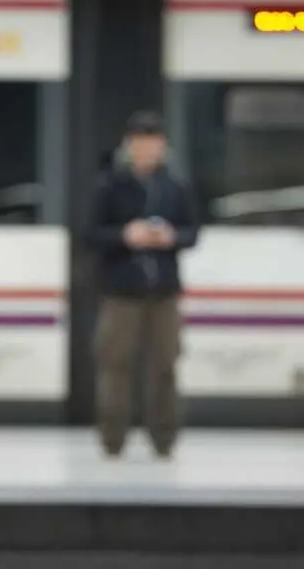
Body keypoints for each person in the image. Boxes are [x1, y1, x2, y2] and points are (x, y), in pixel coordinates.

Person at [85, 110, 200, 460]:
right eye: (140, 144)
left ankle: (164, 440)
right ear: (129, 146)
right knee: (114, 366)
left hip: (164, 293)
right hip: (122, 293)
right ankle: (112, 439)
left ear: (162, 147)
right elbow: (90, 234)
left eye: (153, 144)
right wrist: (125, 235)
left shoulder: (175, 186)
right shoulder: (109, 185)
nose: (147, 150)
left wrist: (171, 237)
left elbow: (192, 233)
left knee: (164, 366)